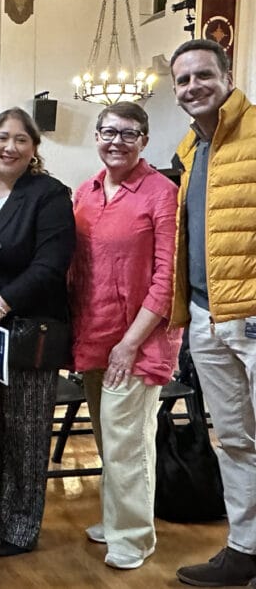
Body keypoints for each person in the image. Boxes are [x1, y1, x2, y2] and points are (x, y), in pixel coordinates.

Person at [0, 107, 76, 557]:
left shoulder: (49, 194)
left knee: (26, 432)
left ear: (34, 149)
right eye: (2, 138)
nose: (10, 147)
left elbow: (51, 265)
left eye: (21, 139)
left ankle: (20, 527)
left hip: (28, 332)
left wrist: (1, 305)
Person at [68, 101, 182, 570]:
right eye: (108, 132)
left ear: (145, 141)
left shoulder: (161, 193)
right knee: (108, 436)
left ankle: (133, 535)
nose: (117, 141)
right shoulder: (86, 192)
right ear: (96, 136)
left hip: (139, 340)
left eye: (129, 134)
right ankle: (118, 517)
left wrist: (131, 342)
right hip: (93, 333)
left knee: (128, 441)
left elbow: (166, 278)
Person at [168, 39, 256, 588]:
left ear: (228, 75)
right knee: (235, 440)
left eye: (204, 75)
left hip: (252, 314)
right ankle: (245, 549)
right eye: (183, 80)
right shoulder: (191, 147)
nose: (193, 86)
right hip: (206, 315)